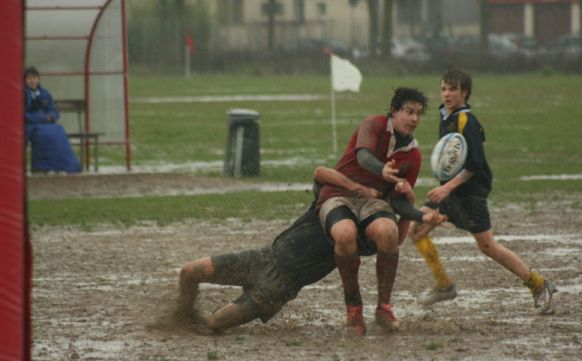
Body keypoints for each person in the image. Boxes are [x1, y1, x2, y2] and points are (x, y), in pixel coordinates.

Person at [149, 166, 444, 335]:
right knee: (188, 272)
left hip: (277, 288)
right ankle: (182, 315)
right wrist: (355, 185)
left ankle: (195, 326)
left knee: (214, 323)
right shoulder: (329, 203)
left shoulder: (354, 238)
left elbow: (393, 244)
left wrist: (408, 209)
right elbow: (321, 172)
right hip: (260, 258)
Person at [408, 67, 557, 314]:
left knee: (488, 246)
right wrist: (445, 185)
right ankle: (444, 285)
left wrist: (446, 188)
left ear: (464, 93)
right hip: (451, 193)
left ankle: (538, 285)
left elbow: (474, 167)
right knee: (416, 230)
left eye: (452, 89)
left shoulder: (467, 121)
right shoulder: (447, 117)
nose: (446, 93)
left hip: (469, 194)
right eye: (443, 88)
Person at [316, 87, 444, 335]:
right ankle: (353, 305)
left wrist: (423, 216)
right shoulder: (373, 124)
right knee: (344, 234)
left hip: (375, 202)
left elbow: (399, 202)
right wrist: (381, 171)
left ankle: (383, 307)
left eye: (418, 113)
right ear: (394, 111)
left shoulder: (413, 156)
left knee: (388, 232)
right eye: (408, 112)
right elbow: (363, 156)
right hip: (340, 193)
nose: (414, 119)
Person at [24, 66, 81, 173]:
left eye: (35, 77)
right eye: (29, 78)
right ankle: (41, 166)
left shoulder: (45, 93)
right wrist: (41, 117)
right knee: (42, 134)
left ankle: (66, 165)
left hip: (46, 124)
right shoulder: (20, 93)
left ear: (38, 79)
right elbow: (20, 113)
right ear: (25, 80)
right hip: (29, 124)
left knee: (58, 130)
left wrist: (51, 116)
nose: (32, 81)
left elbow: (54, 110)